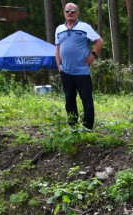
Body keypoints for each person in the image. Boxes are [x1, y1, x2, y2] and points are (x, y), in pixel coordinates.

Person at [55, 3, 102, 131]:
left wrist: (93, 54)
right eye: (67, 11)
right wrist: (59, 66)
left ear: (77, 13)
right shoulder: (59, 29)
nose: (70, 13)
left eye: (73, 11)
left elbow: (99, 41)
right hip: (66, 72)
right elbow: (57, 49)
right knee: (69, 100)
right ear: (64, 13)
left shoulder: (84, 27)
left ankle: (88, 127)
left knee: (86, 100)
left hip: (82, 71)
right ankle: (73, 126)